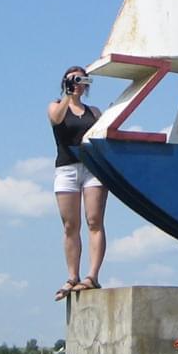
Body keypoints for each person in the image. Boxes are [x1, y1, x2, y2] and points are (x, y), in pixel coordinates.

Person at [47, 65, 105, 300]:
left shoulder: (94, 111)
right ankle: (72, 276)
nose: (78, 84)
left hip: (92, 168)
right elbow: (56, 119)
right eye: (73, 80)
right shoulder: (55, 105)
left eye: (81, 80)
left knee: (94, 221)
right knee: (71, 225)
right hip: (67, 168)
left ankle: (92, 276)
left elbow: (103, 135)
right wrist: (67, 96)